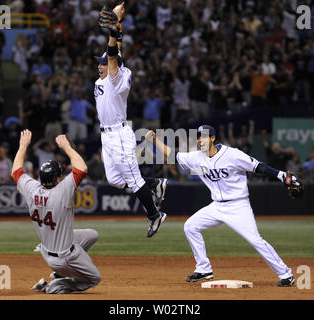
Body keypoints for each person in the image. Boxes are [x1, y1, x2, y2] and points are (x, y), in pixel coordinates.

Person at [145, 125, 300, 287]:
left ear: (212, 138)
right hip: (217, 206)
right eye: (198, 137)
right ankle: (204, 268)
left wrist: (282, 176)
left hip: (238, 206)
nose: (200, 140)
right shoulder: (196, 157)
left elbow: (258, 167)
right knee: (190, 226)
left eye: (204, 136)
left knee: (255, 240)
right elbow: (173, 155)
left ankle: (286, 274)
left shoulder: (232, 154)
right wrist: (155, 140)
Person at [94, 2, 167, 238]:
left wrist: (113, 32)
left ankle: (155, 215)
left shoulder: (116, 79)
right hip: (107, 136)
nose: (99, 65)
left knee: (134, 181)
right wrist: (117, 26)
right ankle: (155, 184)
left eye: (102, 62)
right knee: (115, 180)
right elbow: (117, 53)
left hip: (119, 134)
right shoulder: (104, 79)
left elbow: (115, 56)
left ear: (110, 65)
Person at [11, 130, 101, 294]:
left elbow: (16, 171)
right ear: (58, 179)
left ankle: (59, 274)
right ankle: (51, 286)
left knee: (92, 235)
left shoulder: (32, 189)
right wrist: (66, 147)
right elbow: (81, 168)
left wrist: (22, 146)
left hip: (47, 249)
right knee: (94, 279)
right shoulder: (61, 192)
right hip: (64, 257)